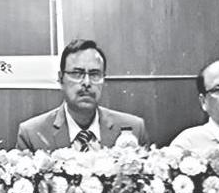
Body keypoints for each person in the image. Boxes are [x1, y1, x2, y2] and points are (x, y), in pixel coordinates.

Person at [16, 39, 149, 151]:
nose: (86, 82)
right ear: (61, 79)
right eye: (77, 74)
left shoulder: (135, 129)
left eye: (94, 74)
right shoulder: (31, 134)